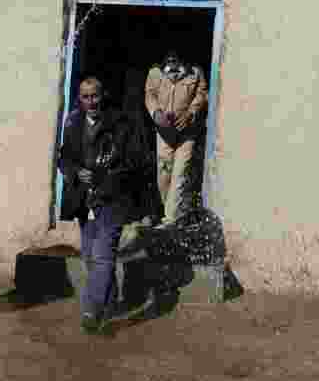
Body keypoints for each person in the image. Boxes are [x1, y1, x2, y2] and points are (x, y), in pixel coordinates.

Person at [58, 76, 147, 334]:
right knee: (88, 255)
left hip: (113, 199)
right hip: (85, 200)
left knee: (102, 253)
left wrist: (104, 176)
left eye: (95, 96)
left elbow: (134, 162)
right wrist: (75, 172)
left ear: (103, 95)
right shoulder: (73, 122)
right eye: (85, 97)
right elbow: (64, 157)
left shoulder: (120, 123)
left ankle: (91, 309)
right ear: (79, 99)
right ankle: (109, 300)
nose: (91, 102)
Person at [144, 51, 209, 226]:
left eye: (175, 57)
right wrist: (156, 113)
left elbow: (202, 94)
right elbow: (149, 95)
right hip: (164, 132)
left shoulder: (195, 73)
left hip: (186, 133)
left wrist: (191, 113)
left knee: (180, 174)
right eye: (169, 57)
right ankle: (173, 212)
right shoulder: (155, 73)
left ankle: (171, 220)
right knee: (163, 174)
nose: (172, 60)